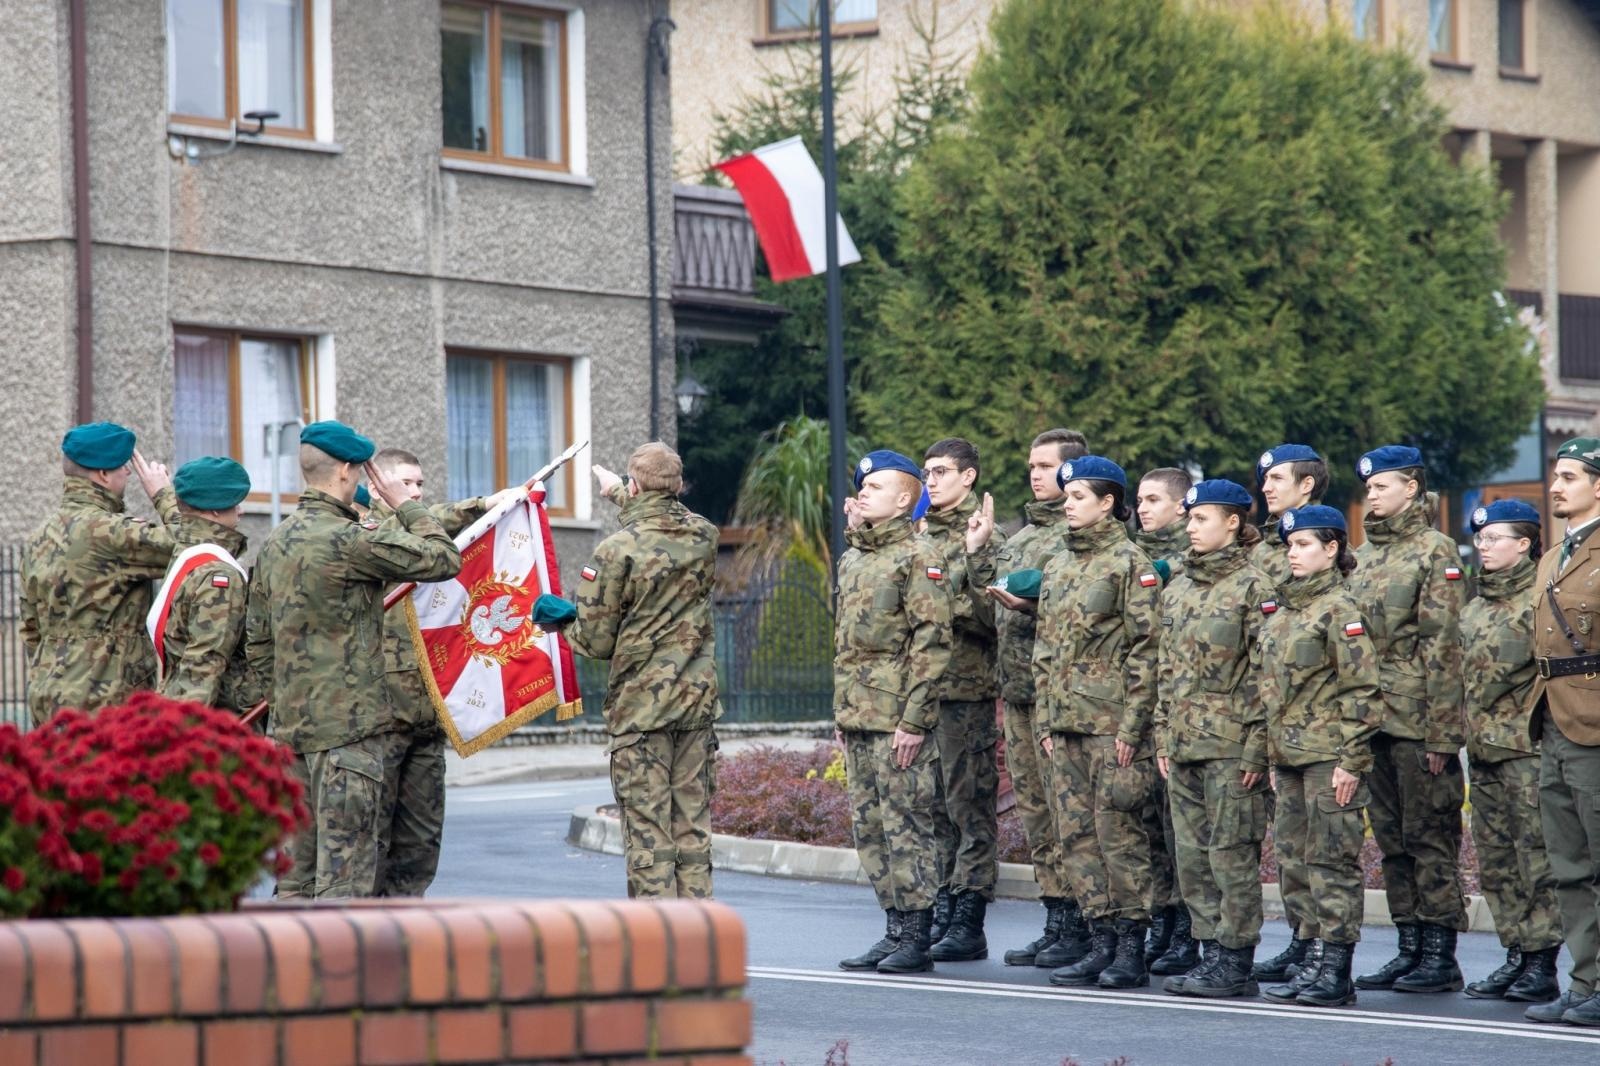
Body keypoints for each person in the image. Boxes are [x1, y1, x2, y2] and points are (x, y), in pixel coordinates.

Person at [245, 421, 463, 900]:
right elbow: (443, 559)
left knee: (296, 880)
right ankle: (338, 976)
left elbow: (257, 640)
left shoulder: (275, 544)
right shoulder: (349, 541)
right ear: (346, 470)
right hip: (350, 736)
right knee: (346, 885)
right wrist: (406, 506)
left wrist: (286, 699)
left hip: (292, 734)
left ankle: (290, 973)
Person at [556, 444, 723, 900]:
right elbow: (666, 522)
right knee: (692, 826)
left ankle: (659, 946)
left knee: (649, 832)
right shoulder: (705, 536)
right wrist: (622, 493)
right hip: (695, 704)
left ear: (634, 485)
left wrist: (563, 619)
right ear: (678, 485)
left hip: (641, 712)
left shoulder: (615, 551)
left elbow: (595, 641)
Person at [1032, 455, 1161, 989]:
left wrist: (1132, 728)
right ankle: (1100, 937)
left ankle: (1131, 945)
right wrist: (1043, 717)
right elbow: (1044, 649)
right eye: (1066, 496)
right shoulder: (1060, 564)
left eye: (1078, 496)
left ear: (1108, 503)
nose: (1067, 504)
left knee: (1118, 835)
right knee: (1076, 836)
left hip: (1111, 726)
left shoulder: (1131, 563)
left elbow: (1148, 650)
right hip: (1064, 724)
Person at [365, 447, 518, 897]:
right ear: (377, 487)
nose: (414, 492)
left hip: (428, 714)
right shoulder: (369, 530)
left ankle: (406, 934)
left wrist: (497, 509)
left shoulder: (427, 527)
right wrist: (476, 506)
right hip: (381, 717)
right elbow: (409, 530)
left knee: (420, 842)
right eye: (405, 483)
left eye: (419, 485)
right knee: (372, 838)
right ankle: (363, 939)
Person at [1346, 446, 1469, 995]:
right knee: (1391, 838)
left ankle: (1440, 953)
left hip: (1417, 720)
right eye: (1369, 486)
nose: (1372, 493)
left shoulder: (1434, 551)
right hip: (1372, 719)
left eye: (1383, 485)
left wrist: (1443, 732)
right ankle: (1408, 946)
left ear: (1412, 489)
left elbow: (1444, 647)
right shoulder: (1362, 556)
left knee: (1430, 837)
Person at [834, 450, 954, 975]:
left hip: (897, 718)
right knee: (870, 827)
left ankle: (918, 934)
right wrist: (841, 715)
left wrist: (914, 720)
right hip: (859, 714)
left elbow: (932, 644)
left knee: (907, 825)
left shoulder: (918, 556)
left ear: (905, 499)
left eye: (876, 487)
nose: (863, 492)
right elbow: (846, 646)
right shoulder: (855, 558)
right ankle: (893, 927)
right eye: (863, 486)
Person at [1154, 479, 1274, 998]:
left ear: (1231, 523)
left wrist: (1257, 747)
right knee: (1193, 856)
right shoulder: (1177, 583)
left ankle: (1236, 957)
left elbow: (1268, 677)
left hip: (1231, 747)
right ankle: (1209, 952)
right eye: (1190, 518)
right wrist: (1161, 735)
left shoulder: (1256, 588)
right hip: (1182, 744)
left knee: (1231, 856)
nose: (1191, 527)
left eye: (1201, 518)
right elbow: (1164, 667)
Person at [1257, 505, 1379, 1008]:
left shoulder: (1340, 610)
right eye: (1290, 545)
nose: (1293, 553)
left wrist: (1352, 761)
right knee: (1296, 861)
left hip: (1328, 757)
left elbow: (1363, 690)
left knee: (1332, 862)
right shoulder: (1288, 610)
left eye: (1304, 544)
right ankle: (1310, 957)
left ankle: (1335, 970)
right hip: (1288, 756)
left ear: (1332, 549)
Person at [984, 429, 1090, 968]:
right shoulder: (1022, 537)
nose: (1034, 473)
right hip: (1018, 694)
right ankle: (1056, 916)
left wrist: (1031, 606)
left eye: (1045, 465)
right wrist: (982, 551)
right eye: (1030, 464)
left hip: (1060, 699)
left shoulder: (1079, 537)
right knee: (1036, 815)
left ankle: (1082, 919)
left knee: (1067, 815)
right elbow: (988, 604)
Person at [1458, 499, 1562, 1003]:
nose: (1484, 547)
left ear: (1524, 544)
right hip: (1483, 750)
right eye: (1481, 539)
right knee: (1496, 861)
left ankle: (1542, 963)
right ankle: (1516, 954)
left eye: (1495, 538)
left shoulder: (1540, 602)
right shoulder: (1476, 604)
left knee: (1534, 859)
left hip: (1524, 749)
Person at [21, 422, 177, 725]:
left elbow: (30, 629)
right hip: (106, 698)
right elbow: (196, 550)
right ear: (104, 475)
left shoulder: (38, 537)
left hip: (48, 693)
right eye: (123, 466)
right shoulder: (112, 532)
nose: (129, 473)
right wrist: (163, 495)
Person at [1523, 436, 1600, 1027]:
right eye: (1556, 476)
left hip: (1595, 721)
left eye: (1569, 477)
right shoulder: (1553, 557)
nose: (1555, 486)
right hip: (1552, 716)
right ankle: (1585, 982)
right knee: (1569, 865)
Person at [1248, 443, 1330, 985]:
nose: (1267, 487)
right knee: (1291, 848)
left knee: (1323, 850)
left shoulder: (1322, 559)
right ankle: (1302, 941)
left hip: (1317, 723)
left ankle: (1324, 950)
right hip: (1270, 720)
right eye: (1265, 479)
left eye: (1278, 478)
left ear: (1307, 486)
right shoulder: (1258, 554)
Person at [919, 438, 1004, 960]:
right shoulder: (921, 532)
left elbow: (996, 616)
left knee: (968, 806)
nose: (931, 481)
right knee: (933, 808)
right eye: (927, 472)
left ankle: (969, 918)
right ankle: (945, 907)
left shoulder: (986, 535)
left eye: (942, 472)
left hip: (966, 688)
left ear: (968, 477)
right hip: (924, 692)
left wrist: (975, 558)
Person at [1133, 465, 1197, 974]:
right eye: (1140, 500)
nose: (1143, 508)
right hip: (1148, 710)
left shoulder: (1186, 564)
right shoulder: (1139, 558)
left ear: (1182, 506)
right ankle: (1164, 919)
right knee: (1153, 828)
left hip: (1179, 713)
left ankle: (1186, 931)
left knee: (1181, 833)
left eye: (1154, 500)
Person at [150, 457, 262, 711]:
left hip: (175, 696)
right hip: (218, 721)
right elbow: (205, 661)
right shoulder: (218, 574)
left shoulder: (186, 549)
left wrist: (161, 495)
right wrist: (188, 732)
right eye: (234, 502)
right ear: (214, 510)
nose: (241, 510)